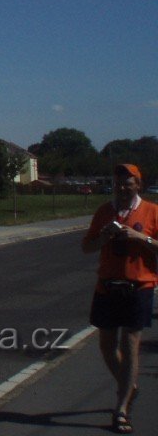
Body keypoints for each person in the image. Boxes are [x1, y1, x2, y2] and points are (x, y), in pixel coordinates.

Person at [82, 164, 158, 434]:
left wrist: (141, 237)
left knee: (130, 345)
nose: (122, 188)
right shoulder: (105, 211)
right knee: (106, 345)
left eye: (128, 183)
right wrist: (102, 238)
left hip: (138, 286)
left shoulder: (152, 211)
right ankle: (129, 385)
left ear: (138, 184)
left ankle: (121, 409)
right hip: (107, 287)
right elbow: (86, 247)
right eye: (118, 183)